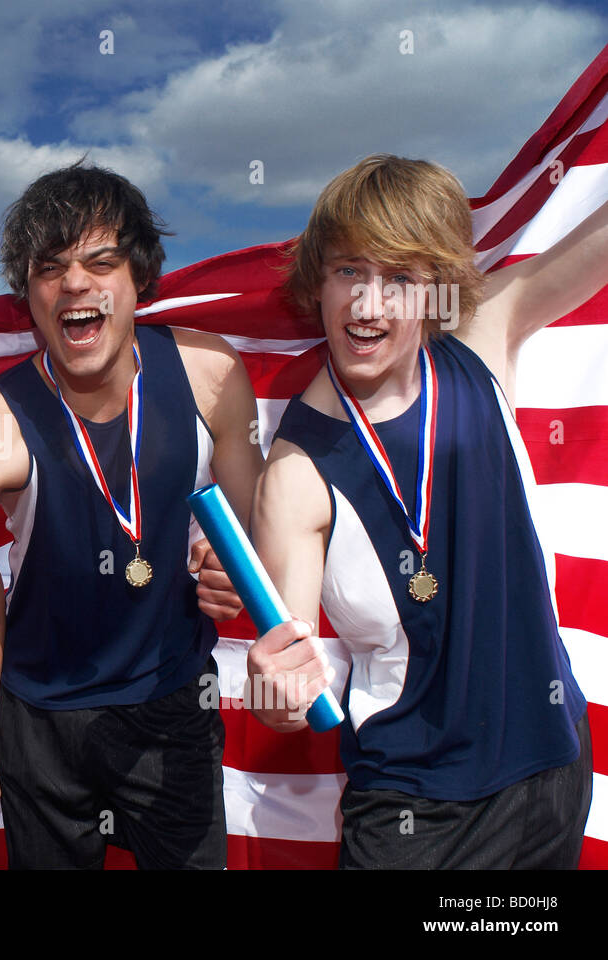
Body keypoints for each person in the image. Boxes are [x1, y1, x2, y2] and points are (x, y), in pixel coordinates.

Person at [0, 162, 260, 869]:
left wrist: (229, 567)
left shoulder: (213, 375)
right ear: (29, 297)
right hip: (44, 720)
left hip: (172, 702)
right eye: (51, 269)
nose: (75, 282)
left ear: (139, 279)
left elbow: (257, 530)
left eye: (100, 261)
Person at [247, 155, 603, 868]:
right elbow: (286, 678)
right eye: (350, 270)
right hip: (414, 814)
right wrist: (275, 689)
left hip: (551, 774)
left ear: (438, 290)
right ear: (318, 278)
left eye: (400, 278)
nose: (367, 305)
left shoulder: (481, 342)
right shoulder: (293, 472)